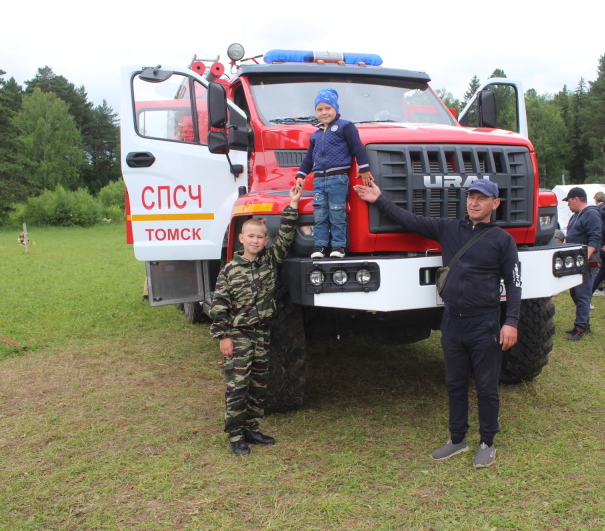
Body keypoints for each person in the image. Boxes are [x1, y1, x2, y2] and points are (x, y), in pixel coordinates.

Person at [354, 179, 520, 469]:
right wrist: (379, 198)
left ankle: (487, 442)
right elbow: (410, 220)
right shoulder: (449, 228)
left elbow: (514, 283)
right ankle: (457, 439)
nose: (474, 203)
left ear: (495, 204)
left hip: (485, 324)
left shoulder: (502, 240)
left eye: (482, 198)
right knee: (455, 384)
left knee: (486, 386)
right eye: (470, 197)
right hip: (452, 323)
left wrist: (512, 321)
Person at [209, 184, 303, 456]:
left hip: (262, 334)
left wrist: (293, 205)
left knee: (259, 385)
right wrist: (223, 336)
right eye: (250, 236)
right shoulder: (229, 270)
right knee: (238, 387)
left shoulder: (270, 261)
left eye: (260, 237)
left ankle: (252, 428)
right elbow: (219, 306)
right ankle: (236, 436)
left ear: (265, 240)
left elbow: (285, 236)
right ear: (241, 238)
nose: (255, 240)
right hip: (238, 335)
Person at [296, 88, 373, 260]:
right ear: (316, 111)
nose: (324, 112)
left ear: (336, 108)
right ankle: (320, 246)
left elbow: (357, 147)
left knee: (337, 212)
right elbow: (309, 157)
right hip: (318, 180)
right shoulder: (315, 134)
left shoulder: (345, 126)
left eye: (328, 108)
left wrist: (364, 168)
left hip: (338, 178)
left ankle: (338, 246)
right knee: (320, 214)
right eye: (320, 109)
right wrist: (300, 175)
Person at [561, 187, 602, 341]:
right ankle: (584, 323)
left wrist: (585, 258)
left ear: (576, 199)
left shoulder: (591, 214)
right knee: (575, 293)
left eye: (569, 201)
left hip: (585, 261)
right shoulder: (577, 216)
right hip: (575, 260)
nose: (568, 204)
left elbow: (594, 238)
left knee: (582, 293)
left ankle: (580, 327)